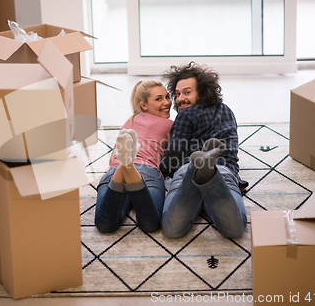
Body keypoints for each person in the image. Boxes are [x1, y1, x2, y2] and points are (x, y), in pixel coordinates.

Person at [159, 61, 247, 239]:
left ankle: (196, 167)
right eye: (177, 94)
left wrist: (161, 167)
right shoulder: (227, 111)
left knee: (172, 229)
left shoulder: (185, 115)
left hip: (185, 171)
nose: (180, 98)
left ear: (203, 92)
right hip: (224, 171)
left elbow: (173, 159)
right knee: (236, 229)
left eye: (187, 92)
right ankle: (207, 170)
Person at [95, 79, 173, 233]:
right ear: (144, 105)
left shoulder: (129, 122)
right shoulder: (170, 124)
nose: (167, 102)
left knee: (105, 225)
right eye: (159, 99)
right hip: (147, 170)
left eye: (167, 96)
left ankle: (125, 165)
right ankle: (128, 166)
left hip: (114, 171)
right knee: (150, 225)